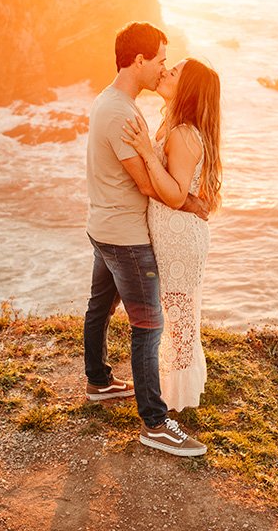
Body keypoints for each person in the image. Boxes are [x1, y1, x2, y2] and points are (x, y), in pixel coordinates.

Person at [84, 22, 209, 457]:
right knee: (148, 324)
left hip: (103, 225)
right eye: (159, 60)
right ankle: (155, 423)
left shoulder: (114, 100)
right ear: (139, 61)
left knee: (100, 305)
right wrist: (191, 202)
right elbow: (148, 186)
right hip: (126, 235)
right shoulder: (122, 112)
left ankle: (98, 381)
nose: (162, 68)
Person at [122, 58, 221, 412]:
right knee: (176, 316)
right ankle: (172, 390)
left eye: (174, 72)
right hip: (173, 233)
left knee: (177, 319)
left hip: (179, 239)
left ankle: (176, 400)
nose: (165, 72)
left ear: (187, 89)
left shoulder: (181, 133)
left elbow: (177, 194)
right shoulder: (174, 124)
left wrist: (147, 151)